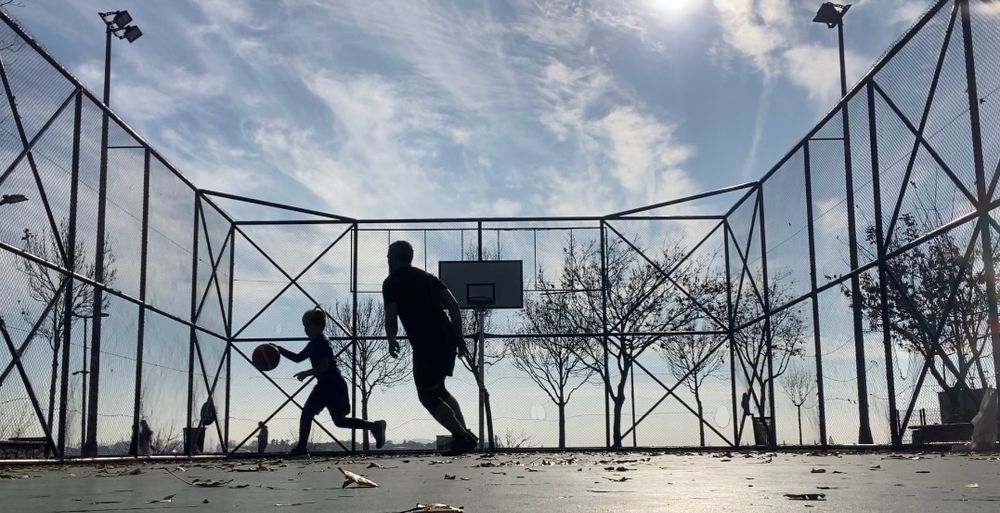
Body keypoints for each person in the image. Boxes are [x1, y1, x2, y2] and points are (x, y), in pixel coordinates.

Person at [382, 240, 478, 455]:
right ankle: (465, 435)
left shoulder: (391, 282)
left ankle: (461, 437)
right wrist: (459, 338)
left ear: (392, 258)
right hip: (446, 338)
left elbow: (391, 315)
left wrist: (391, 338)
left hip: (426, 343)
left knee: (427, 396)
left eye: (388, 256)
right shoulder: (428, 278)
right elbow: (454, 306)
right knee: (439, 389)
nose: (387, 260)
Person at [277, 308, 387, 457]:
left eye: (308, 325)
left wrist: (306, 373)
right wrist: (279, 349)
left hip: (329, 385)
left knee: (307, 413)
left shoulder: (321, 342)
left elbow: (324, 367)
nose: (305, 329)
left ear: (318, 325)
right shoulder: (314, 342)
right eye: (304, 326)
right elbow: (298, 358)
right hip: (334, 385)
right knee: (339, 421)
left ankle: (301, 448)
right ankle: (374, 426)